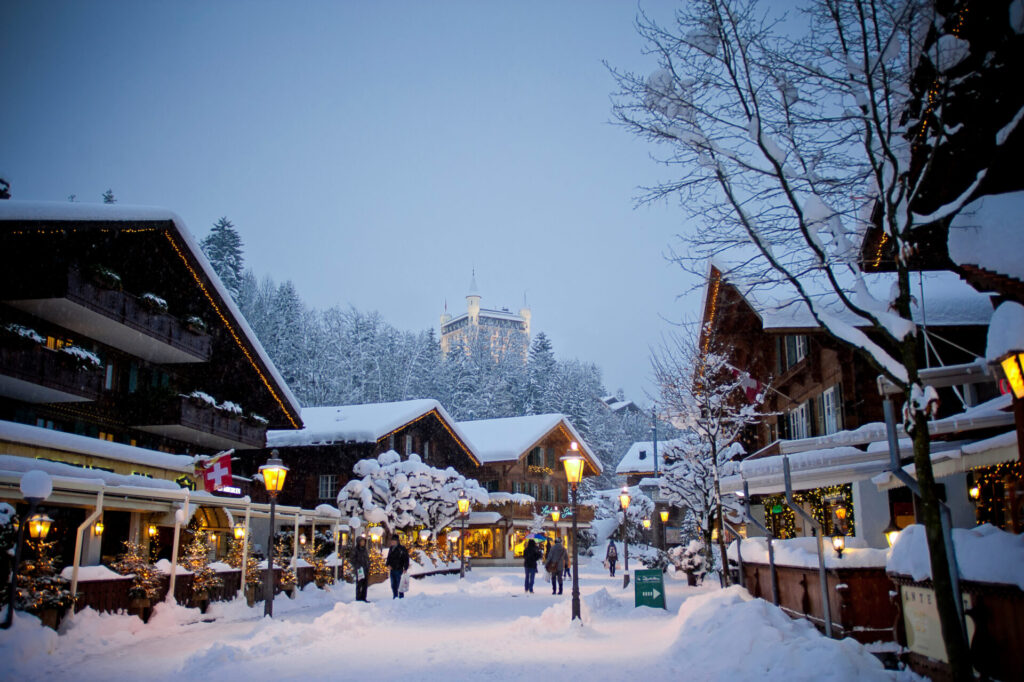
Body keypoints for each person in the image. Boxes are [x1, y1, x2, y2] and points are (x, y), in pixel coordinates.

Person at [352, 536, 370, 602]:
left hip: (365, 569)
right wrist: (358, 566)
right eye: (362, 541)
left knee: (365, 585)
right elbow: (352, 559)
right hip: (359, 569)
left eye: (364, 541)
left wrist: (368, 565)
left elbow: (367, 558)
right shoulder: (356, 550)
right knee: (359, 584)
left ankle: (364, 597)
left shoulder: (365, 549)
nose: (363, 542)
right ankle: (358, 598)